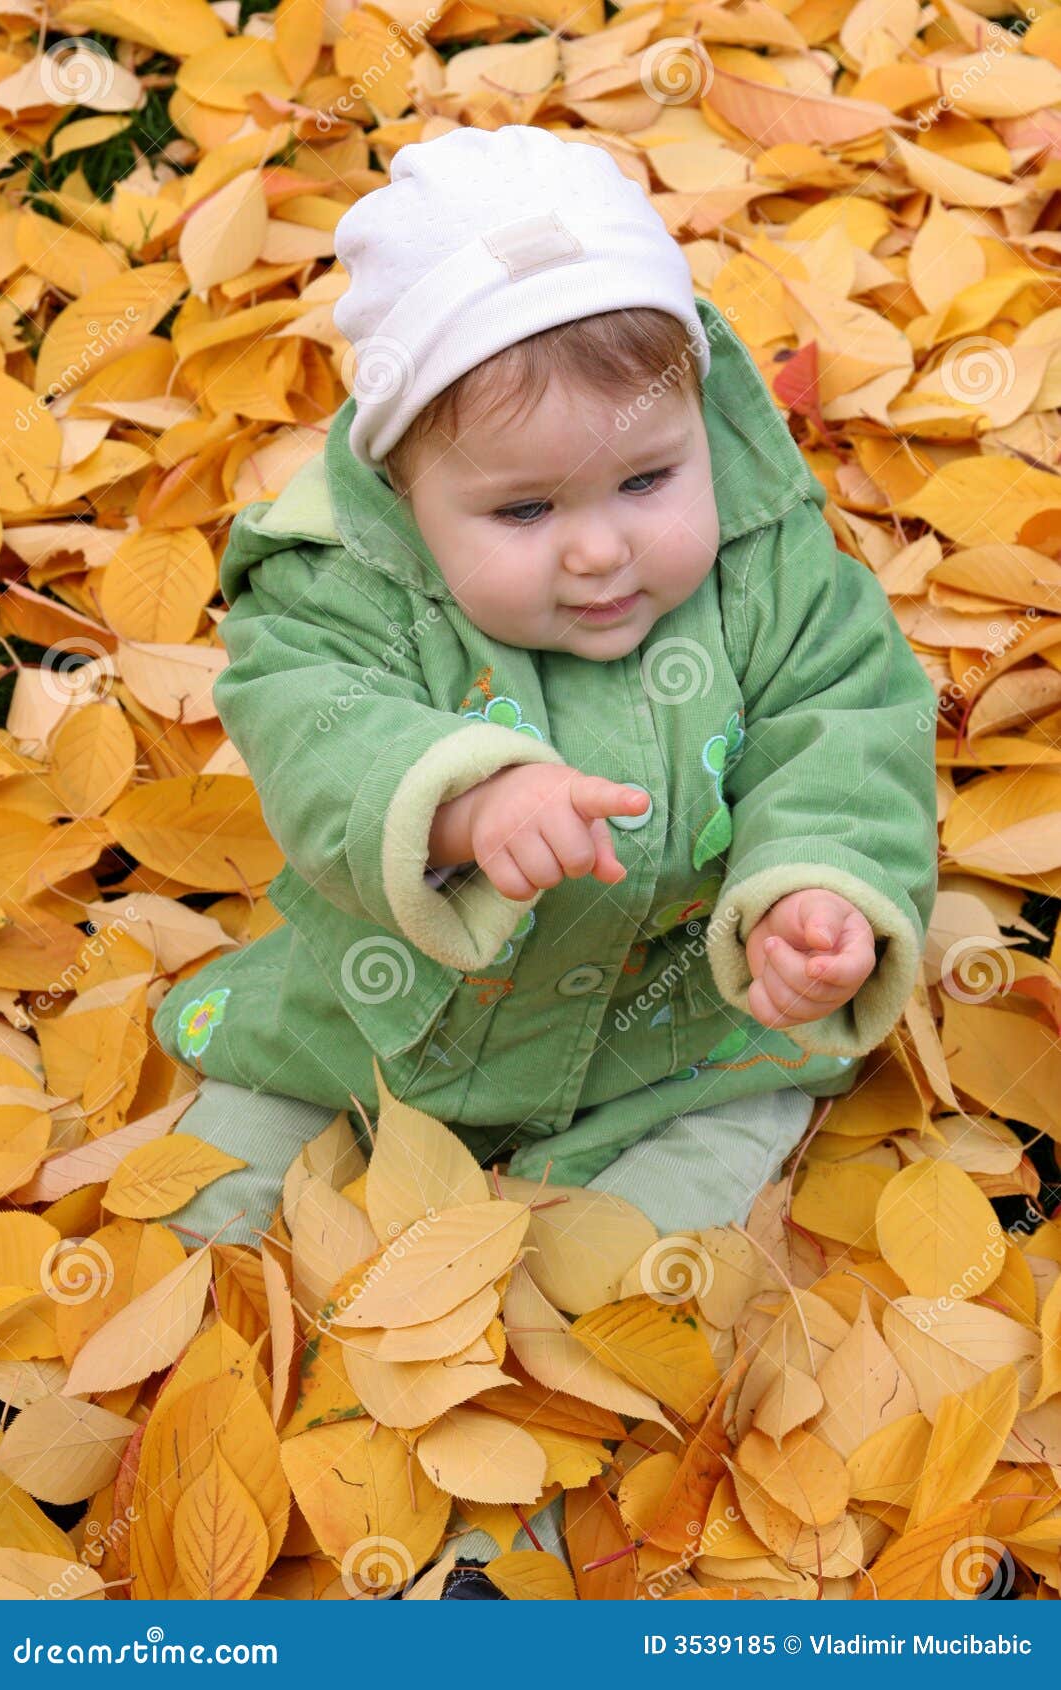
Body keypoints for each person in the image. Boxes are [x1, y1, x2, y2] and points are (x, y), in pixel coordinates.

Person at [152, 122, 938, 1259]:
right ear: (402, 494)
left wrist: (807, 893)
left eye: (647, 478)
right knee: (220, 1184)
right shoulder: (347, 586)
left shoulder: (772, 571)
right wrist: (461, 805)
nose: (598, 552)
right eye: (524, 511)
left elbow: (847, 726)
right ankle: (228, 1311)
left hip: (674, 1017)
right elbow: (306, 723)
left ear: (697, 427)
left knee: (681, 1199)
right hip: (386, 1009)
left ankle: (610, 1275)